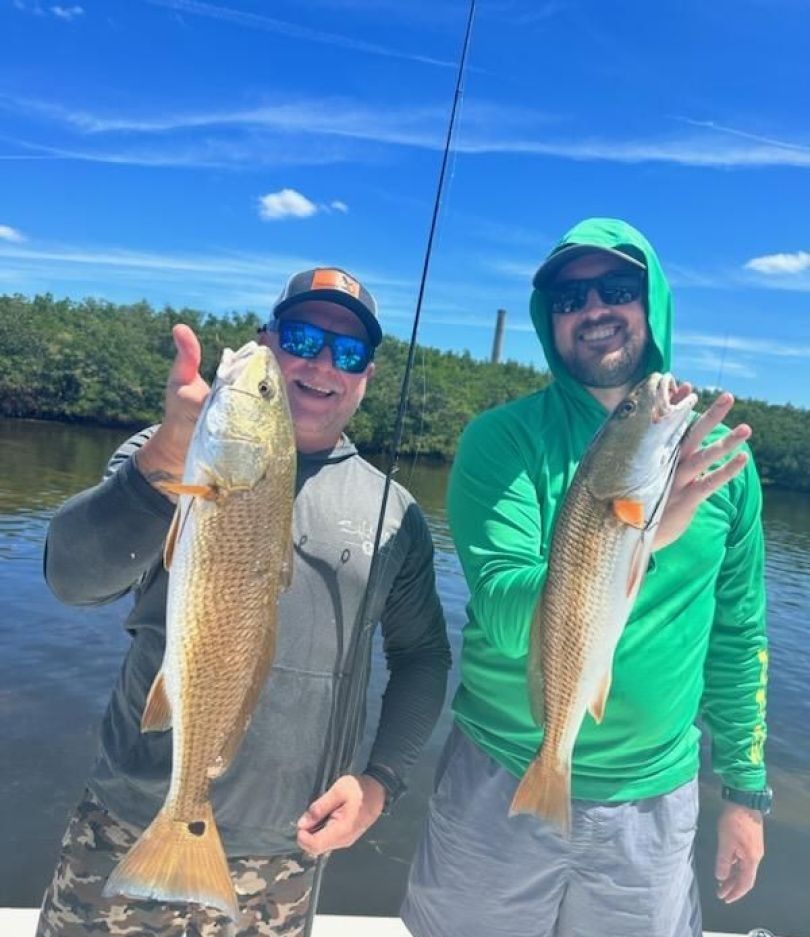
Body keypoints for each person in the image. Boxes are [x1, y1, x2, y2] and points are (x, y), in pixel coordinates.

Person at [36, 266, 450, 937]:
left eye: (347, 353)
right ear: (267, 337)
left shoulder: (394, 514)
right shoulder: (166, 456)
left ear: (366, 376)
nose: (322, 364)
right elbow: (72, 579)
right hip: (129, 821)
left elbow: (424, 656)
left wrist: (380, 782)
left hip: (285, 855)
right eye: (302, 337)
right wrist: (169, 458)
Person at [401, 218, 769, 937]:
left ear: (652, 300)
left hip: (655, 800)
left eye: (619, 288)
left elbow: (740, 634)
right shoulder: (503, 440)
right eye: (570, 296)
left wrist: (746, 792)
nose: (595, 308)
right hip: (502, 773)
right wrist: (640, 538)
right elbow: (505, 614)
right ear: (549, 319)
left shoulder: (725, 462)